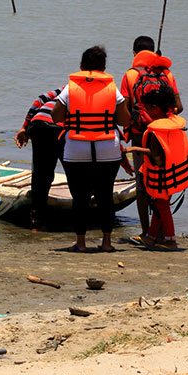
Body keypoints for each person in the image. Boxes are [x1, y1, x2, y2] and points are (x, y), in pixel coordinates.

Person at [51, 46, 130, 252]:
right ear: (104, 68)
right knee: (105, 196)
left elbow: (56, 116)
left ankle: (81, 243)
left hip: (77, 148)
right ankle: (106, 243)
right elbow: (124, 120)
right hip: (107, 147)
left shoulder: (70, 88)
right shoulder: (113, 89)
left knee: (80, 198)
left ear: (81, 67)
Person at [120, 35, 183, 239]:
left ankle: (146, 231)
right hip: (168, 135)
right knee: (166, 185)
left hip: (141, 137)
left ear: (134, 53)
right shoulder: (167, 74)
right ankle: (163, 232)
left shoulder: (130, 75)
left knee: (143, 185)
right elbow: (179, 107)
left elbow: (125, 111)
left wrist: (138, 121)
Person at [123, 86, 188, 251]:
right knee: (160, 204)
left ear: (155, 108)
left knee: (162, 207)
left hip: (162, 176)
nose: (146, 112)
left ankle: (170, 240)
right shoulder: (174, 123)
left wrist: (132, 149)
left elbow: (155, 153)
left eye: (147, 109)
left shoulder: (155, 130)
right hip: (172, 174)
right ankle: (151, 236)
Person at [14, 88, 66, 231]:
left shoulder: (64, 89)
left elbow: (39, 100)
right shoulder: (90, 93)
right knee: (74, 171)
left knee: (41, 175)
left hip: (38, 123)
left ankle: (36, 221)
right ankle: (82, 218)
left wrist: (24, 127)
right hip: (59, 126)